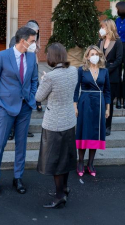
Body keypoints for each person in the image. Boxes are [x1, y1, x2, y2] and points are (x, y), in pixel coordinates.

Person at [0, 27, 38, 196]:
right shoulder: (2, 56)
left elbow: (34, 80)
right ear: (22, 41)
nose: (34, 44)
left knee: (21, 144)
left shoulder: (31, 57)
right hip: (5, 107)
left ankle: (18, 177)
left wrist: (31, 98)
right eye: (32, 41)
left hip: (25, 107)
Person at [35, 43, 78, 209]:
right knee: (65, 158)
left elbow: (39, 97)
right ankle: (64, 189)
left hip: (54, 123)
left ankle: (60, 196)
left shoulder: (50, 77)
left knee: (55, 160)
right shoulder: (73, 70)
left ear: (52, 57)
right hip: (68, 120)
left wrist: (43, 80)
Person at [73, 45, 111, 177]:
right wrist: (75, 106)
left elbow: (107, 91)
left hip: (99, 103)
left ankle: (90, 163)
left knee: (95, 132)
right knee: (84, 131)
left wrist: (108, 108)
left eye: (96, 54)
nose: (94, 56)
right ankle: (80, 162)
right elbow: (76, 88)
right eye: (92, 54)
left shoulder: (104, 71)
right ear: (87, 56)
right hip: (84, 102)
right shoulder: (81, 70)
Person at [8, 20, 41, 140]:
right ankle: (11, 130)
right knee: (13, 109)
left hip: (29, 76)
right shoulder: (15, 39)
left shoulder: (34, 40)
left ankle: (24, 130)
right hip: (17, 78)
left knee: (25, 111)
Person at [97, 19, 123, 136]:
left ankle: (108, 125)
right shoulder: (100, 41)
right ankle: (100, 123)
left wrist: (107, 69)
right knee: (100, 100)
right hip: (100, 75)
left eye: (103, 27)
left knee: (109, 102)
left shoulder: (117, 42)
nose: (101, 29)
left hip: (112, 76)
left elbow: (118, 60)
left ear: (109, 28)